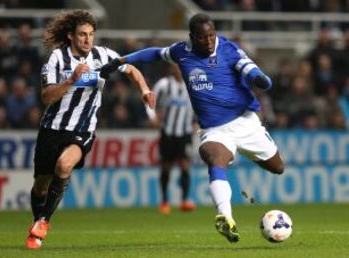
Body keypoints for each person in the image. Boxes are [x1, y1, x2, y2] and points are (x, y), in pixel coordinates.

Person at [100, 13, 285, 243]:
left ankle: (246, 152)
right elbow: (153, 54)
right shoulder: (181, 51)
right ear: (192, 37)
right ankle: (225, 217)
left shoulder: (228, 49)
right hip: (214, 130)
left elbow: (249, 68)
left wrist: (260, 79)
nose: (208, 41)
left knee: (278, 167)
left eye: (211, 35)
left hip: (245, 122)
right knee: (213, 158)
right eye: (202, 37)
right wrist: (120, 61)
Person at [25, 10, 156, 249]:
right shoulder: (57, 58)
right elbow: (46, 97)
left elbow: (132, 69)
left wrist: (145, 89)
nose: (87, 40)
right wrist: (70, 80)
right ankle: (36, 223)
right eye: (82, 35)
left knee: (64, 165)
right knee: (41, 185)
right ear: (71, 36)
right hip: (52, 129)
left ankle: (44, 221)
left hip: (83, 130)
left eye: (91, 35)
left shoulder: (103, 55)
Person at [146, 63, 196, 214]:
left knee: (185, 165)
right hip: (167, 132)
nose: (180, 69)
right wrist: (153, 117)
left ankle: (185, 200)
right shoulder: (164, 84)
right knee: (166, 166)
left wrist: (197, 121)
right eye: (176, 67)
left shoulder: (192, 85)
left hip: (185, 133)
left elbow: (199, 104)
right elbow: (148, 99)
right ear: (171, 69)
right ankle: (165, 201)